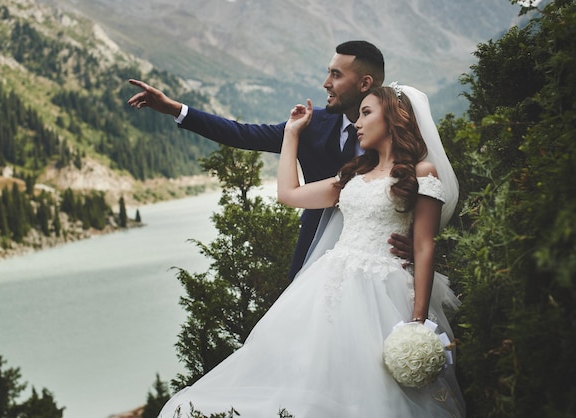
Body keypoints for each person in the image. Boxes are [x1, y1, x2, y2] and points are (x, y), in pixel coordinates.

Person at [155, 85, 464, 417]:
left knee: (374, 388)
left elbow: (423, 244)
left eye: (366, 113)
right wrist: (291, 134)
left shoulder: (421, 173)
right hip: (328, 286)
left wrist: (417, 321)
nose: (357, 123)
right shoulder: (354, 175)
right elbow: (289, 193)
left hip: (385, 293)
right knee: (308, 376)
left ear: (392, 118)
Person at [127, 40, 413, 280]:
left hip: (381, 257)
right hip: (314, 246)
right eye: (328, 73)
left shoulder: (399, 132)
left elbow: (422, 189)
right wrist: (175, 109)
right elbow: (244, 134)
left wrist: (418, 241)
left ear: (365, 83)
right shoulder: (311, 124)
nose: (326, 83)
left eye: (336, 75)